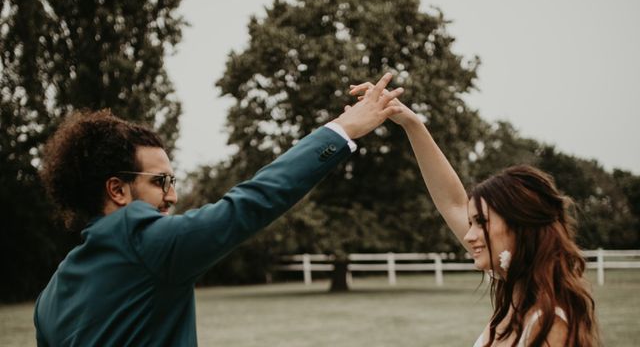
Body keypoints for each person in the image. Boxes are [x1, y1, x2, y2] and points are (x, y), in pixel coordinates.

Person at [34, 73, 404, 346]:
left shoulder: (50, 297)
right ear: (117, 190)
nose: (173, 196)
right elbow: (251, 203)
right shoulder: (144, 240)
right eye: (160, 181)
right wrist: (342, 130)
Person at [349, 82, 599, 347]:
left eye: (481, 223)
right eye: (471, 222)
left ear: (519, 226)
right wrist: (411, 123)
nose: (469, 236)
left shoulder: (549, 324)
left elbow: (455, 205)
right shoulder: (516, 296)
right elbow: (453, 204)